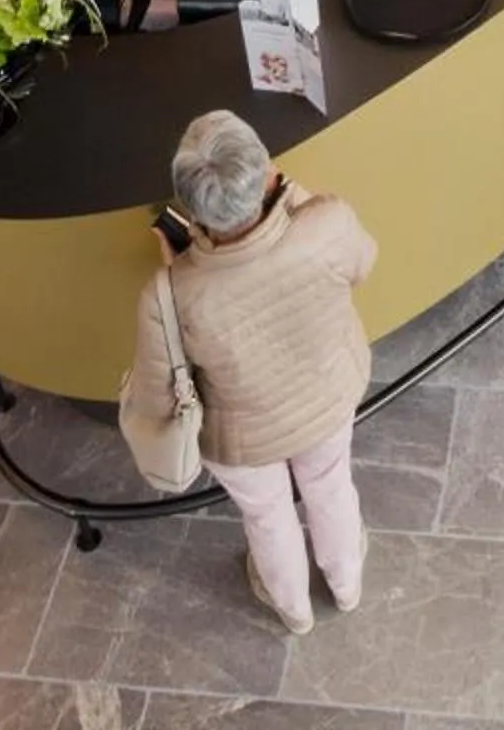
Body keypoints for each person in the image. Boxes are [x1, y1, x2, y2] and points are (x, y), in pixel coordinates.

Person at [126, 112, 377, 635]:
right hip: (327, 397)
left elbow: (155, 392)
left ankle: (292, 608)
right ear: (267, 175)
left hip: (241, 440)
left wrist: (182, 262)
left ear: (192, 207)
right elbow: (364, 263)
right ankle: (346, 583)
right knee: (331, 485)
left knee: (267, 516)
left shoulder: (170, 292)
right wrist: (294, 204)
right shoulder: (325, 223)